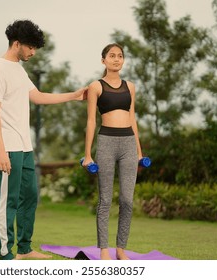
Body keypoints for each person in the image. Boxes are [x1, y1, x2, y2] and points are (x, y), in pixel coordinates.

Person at [0, 19, 87, 260]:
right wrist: (0, 151)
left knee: (30, 196)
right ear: (16, 43)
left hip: (24, 147)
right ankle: (5, 256)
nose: (33, 52)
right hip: (7, 148)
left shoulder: (19, 70)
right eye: (30, 47)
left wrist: (73, 96)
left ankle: (24, 249)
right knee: (6, 203)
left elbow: (38, 97)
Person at [82, 43, 143, 260]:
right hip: (106, 141)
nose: (116, 59)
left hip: (128, 143)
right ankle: (104, 249)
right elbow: (91, 121)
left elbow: (132, 118)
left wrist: (139, 151)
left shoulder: (131, 87)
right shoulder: (96, 87)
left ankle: (121, 249)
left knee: (127, 200)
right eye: (112, 56)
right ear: (103, 60)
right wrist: (88, 154)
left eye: (120, 56)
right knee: (105, 200)